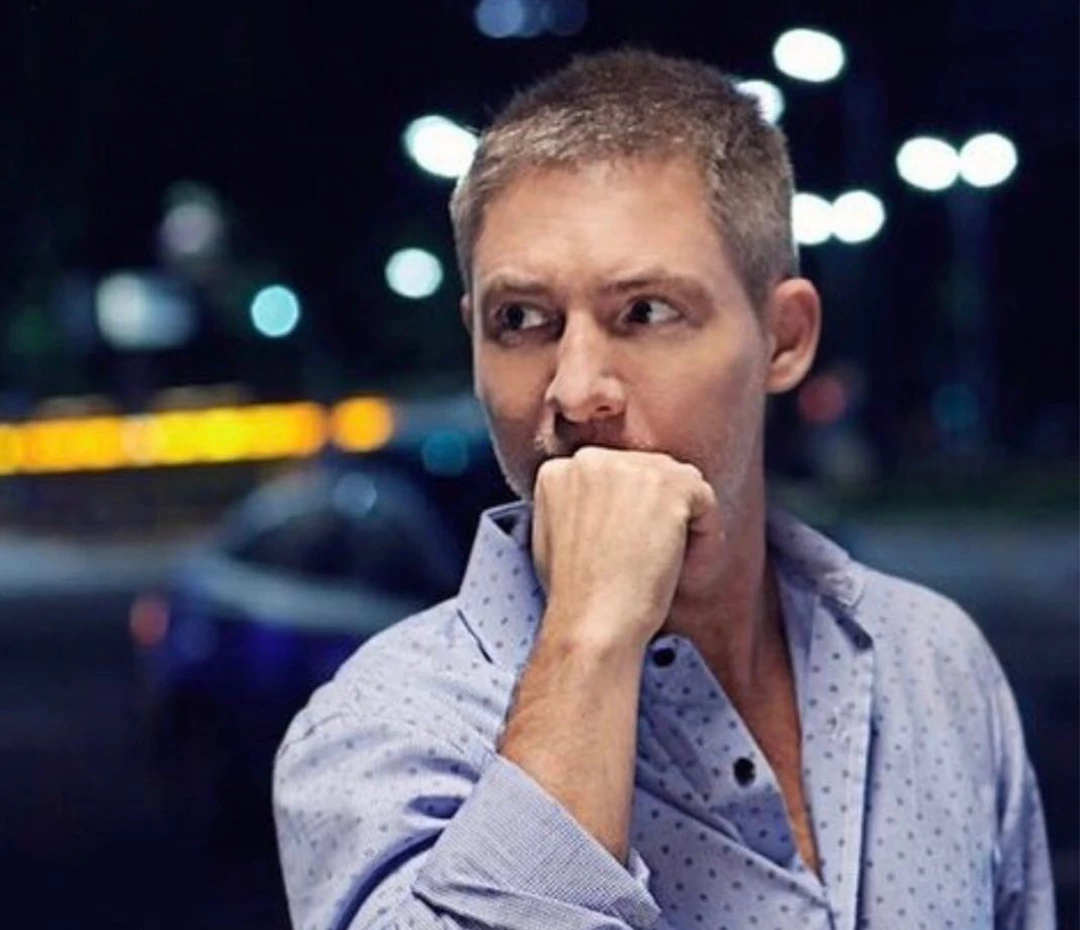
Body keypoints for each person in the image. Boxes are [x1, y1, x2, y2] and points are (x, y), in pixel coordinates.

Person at [273, 49, 1054, 929]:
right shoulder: (382, 730)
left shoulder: (935, 660)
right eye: (519, 320)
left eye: (644, 311)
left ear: (784, 338)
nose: (575, 391)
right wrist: (592, 636)